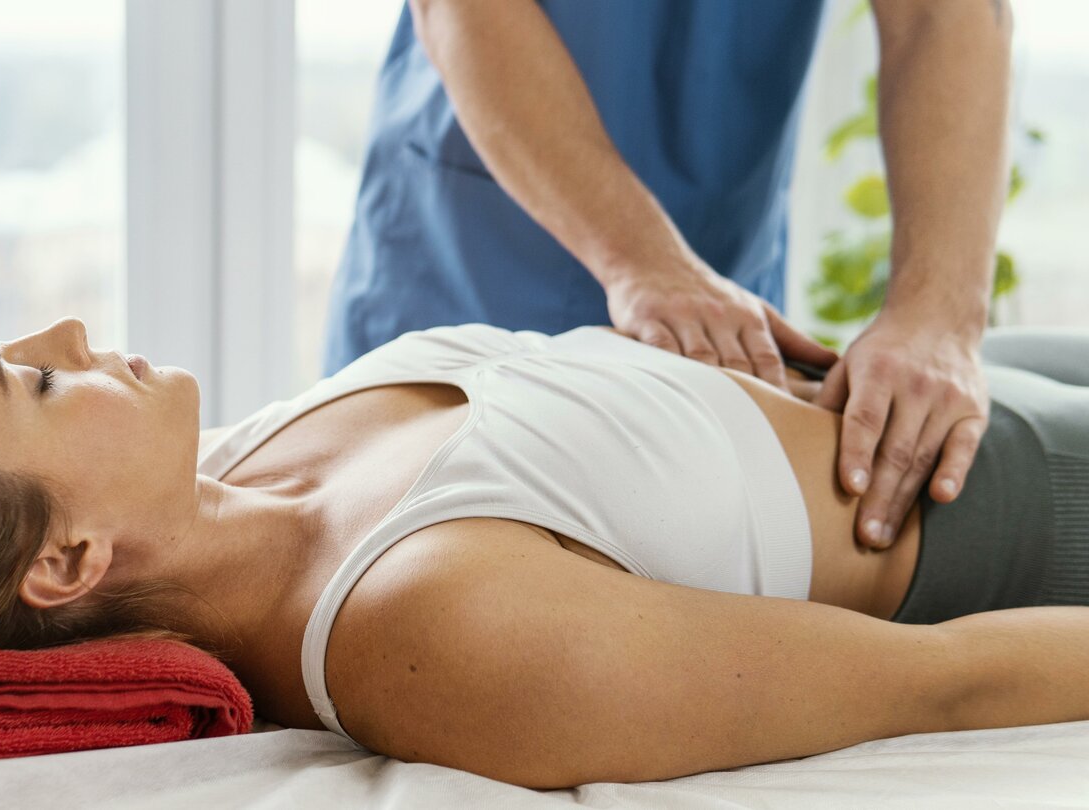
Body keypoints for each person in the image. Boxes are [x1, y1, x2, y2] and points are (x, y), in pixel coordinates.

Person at [0, 316, 1085, 788]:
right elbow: (946, 681)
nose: (70, 331)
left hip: (945, 381)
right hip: (1012, 506)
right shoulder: (430, 626)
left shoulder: (248, 461)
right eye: (28, 379)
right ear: (67, 562)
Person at [323, 0, 1014, 555]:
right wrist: (641, 261)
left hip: (720, 270)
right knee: (398, 551)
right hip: (472, 248)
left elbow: (941, 14)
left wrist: (938, 318)